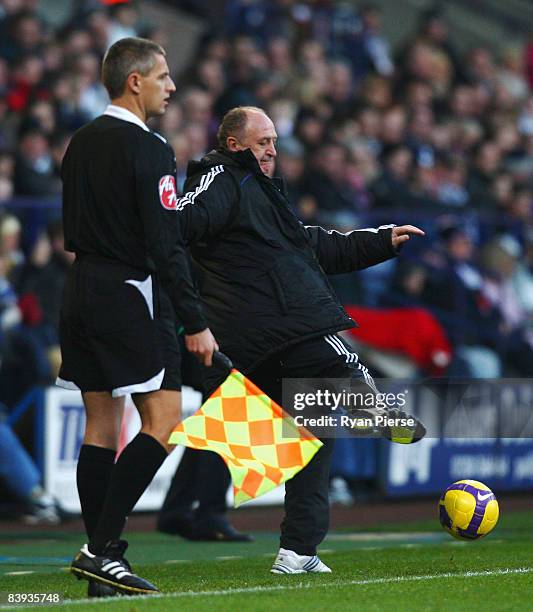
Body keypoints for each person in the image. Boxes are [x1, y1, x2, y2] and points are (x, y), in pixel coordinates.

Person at [176, 106, 425, 574]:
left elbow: (314, 246)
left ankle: (299, 551)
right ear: (234, 144)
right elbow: (183, 219)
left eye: (274, 140)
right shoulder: (222, 178)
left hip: (263, 337)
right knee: (339, 357)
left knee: (312, 435)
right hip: (279, 325)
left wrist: (380, 241)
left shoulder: (265, 197)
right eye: (263, 141)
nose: (272, 149)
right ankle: (373, 406)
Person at [57, 37, 217, 596]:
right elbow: (165, 241)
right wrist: (194, 319)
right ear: (135, 81)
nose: (171, 86)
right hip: (128, 292)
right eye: (164, 76)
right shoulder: (149, 148)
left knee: (101, 427)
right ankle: (101, 550)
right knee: (165, 420)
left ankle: (103, 567)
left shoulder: (79, 142)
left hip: (79, 289)